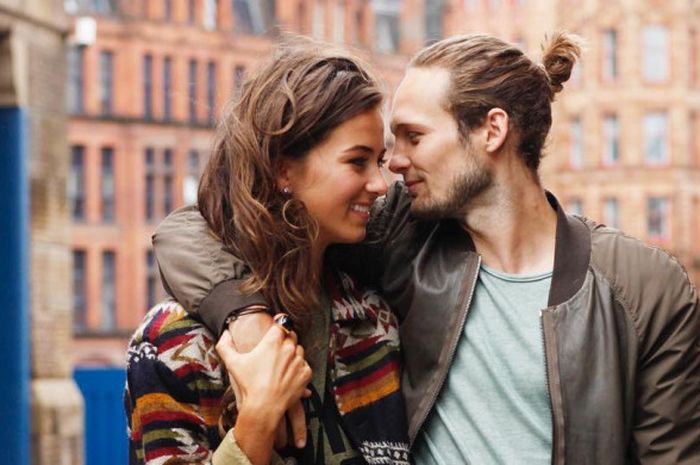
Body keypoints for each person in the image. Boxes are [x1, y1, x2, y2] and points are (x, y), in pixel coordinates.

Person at [153, 32, 700, 465]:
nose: (392, 163)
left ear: (492, 131)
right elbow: (195, 228)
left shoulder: (644, 285)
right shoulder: (400, 237)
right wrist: (243, 316)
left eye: (413, 138)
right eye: (376, 151)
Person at [125, 37, 412, 465]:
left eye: (380, 161)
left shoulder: (373, 320)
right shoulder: (174, 342)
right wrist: (256, 421)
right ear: (282, 168)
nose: (380, 184)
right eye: (357, 162)